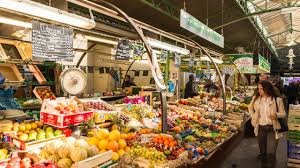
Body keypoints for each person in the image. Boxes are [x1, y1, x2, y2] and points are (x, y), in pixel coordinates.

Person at [248, 80, 286, 166]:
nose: (259, 91)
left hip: (273, 128)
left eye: (261, 89)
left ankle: (272, 165)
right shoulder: (256, 99)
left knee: (271, 153)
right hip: (260, 127)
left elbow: (283, 114)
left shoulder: (277, 100)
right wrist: (253, 116)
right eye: (258, 89)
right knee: (263, 152)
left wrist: (276, 115)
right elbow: (249, 107)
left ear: (267, 89)